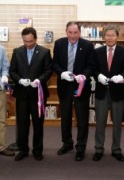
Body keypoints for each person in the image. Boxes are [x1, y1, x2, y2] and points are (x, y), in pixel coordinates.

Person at [52, 21, 94, 161]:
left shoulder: (87, 45)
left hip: (80, 87)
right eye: (70, 32)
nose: (73, 35)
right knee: (65, 117)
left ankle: (80, 147)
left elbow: (91, 65)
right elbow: (55, 63)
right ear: (66, 32)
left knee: (82, 119)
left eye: (75, 32)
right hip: (64, 86)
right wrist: (61, 73)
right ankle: (67, 143)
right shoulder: (59, 44)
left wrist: (85, 75)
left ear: (79, 33)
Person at [9, 27, 52, 161]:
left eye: (30, 41)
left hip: (38, 94)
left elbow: (48, 70)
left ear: (35, 38)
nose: (28, 44)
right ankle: (23, 150)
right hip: (22, 94)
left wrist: (39, 80)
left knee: (38, 123)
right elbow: (12, 71)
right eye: (25, 41)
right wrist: (20, 80)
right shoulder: (17, 52)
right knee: (22, 124)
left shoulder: (44, 52)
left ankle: (37, 150)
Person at [92, 26, 124, 162]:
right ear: (104, 37)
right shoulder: (97, 52)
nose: (110, 38)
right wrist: (98, 76)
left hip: (117, 93)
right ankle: (98, 149)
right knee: (100, 123)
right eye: (107, 35)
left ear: (117, 37)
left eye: (112, 35)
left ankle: (116, 149)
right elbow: (93, 69)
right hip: (101, 93)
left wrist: (121, 76)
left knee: (117, 124)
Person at [0, 45, 15, 157]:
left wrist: (5, 75)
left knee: (2, 120)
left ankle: (1, 146)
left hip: (0, 90)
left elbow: (5, 67)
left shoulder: (2, 49)